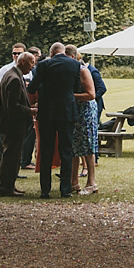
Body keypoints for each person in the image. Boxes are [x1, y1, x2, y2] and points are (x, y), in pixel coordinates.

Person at [28, 42, 81, 198]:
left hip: (47, 111)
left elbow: (33, 87)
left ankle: (45, 190)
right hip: (66, 110)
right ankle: (65, 189)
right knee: (66, 150)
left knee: (46, 150)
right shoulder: (74, 64)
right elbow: (77, 87)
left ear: (51, 53)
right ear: (63, 52)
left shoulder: (44, 65)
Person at [0, 51, 36, 196]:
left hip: (12, 123)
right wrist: (31, 111)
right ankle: (6, 188)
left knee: (12, 155)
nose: (33, 66)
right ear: (23, 62)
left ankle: (9, 185)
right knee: (11, 156)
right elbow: (13, 106)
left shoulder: (11, 74)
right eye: (31, 62)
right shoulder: (14, 78)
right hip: (14, 124)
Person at [63, 45, 98, 195]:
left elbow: (91, 94)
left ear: (71, 57)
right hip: (74, 110)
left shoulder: (83, 70)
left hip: (85, 111)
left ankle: (91, 183)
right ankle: (73, 182)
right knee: (73, 148)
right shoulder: (70, 71)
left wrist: (69, 96)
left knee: (87, 146)